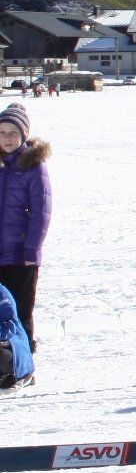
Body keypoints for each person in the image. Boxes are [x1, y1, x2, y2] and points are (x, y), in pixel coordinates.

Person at [0, 102, 52, 352]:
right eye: (1, 132)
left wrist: (31, 249)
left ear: (24, 135)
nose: (7, 138)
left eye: (13, 133)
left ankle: (24, 360)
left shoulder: (33, 165)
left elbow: (42, 211)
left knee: (20, 309)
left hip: (21, 255)